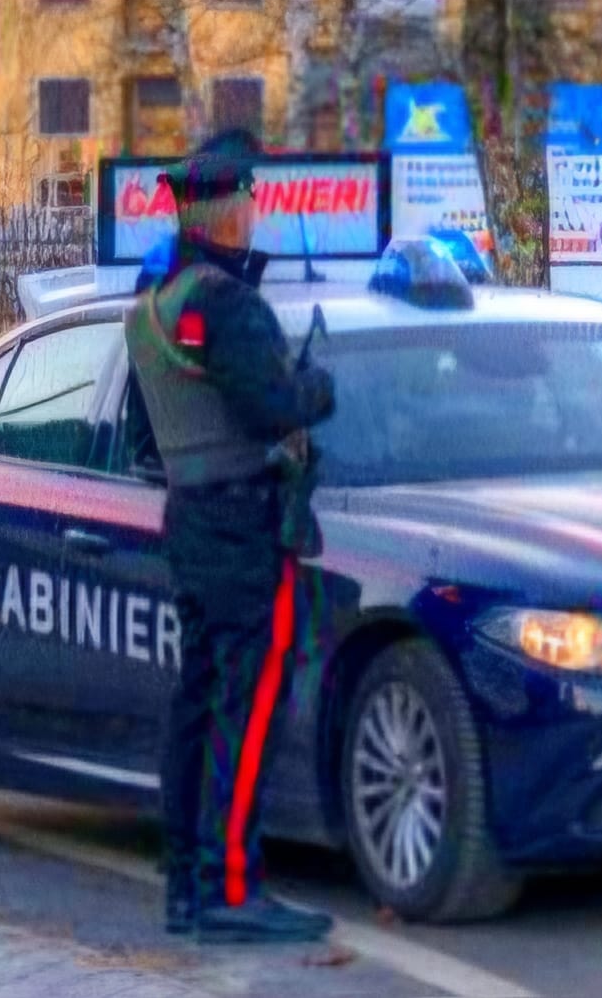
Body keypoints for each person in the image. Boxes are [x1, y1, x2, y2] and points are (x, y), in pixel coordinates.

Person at [127, 129, 336, 944]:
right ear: (228, 213)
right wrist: (315, 385)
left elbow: (149, 436)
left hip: (190, 517)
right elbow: (274, 408)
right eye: (247, 200)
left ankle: (187, 879)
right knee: (246, 711)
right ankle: (232, 889)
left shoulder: (151, 309)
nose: (253, 211)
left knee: (198, 700)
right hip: (246, 524)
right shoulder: (227, 302)